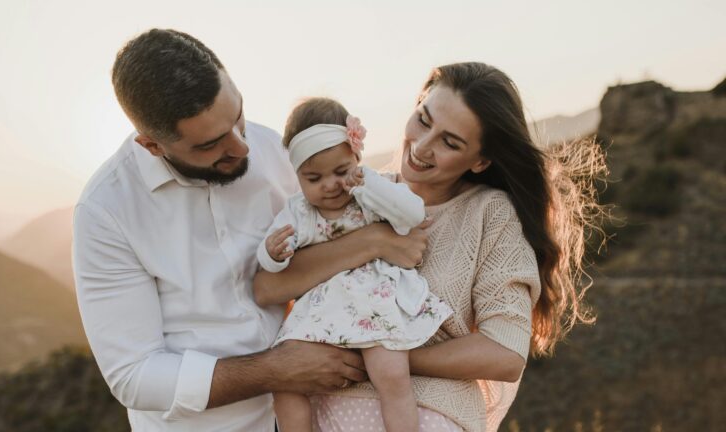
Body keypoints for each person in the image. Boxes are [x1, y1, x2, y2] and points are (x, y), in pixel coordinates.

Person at [72, 29, 431, 431]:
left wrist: (374, 239)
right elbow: (134, 376)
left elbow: (325, 242)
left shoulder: (279, 151)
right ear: (153, 145)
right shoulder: (105, 211)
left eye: (238, 118)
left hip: (316, 410)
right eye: (212, 144)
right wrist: (274, 370)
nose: (243, 148)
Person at [252, 62, 605, 431]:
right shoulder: (349, 194)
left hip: (427, 413)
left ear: (481, 160)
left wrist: (381, 353)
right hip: (321, 412)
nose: (421, 147)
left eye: (449, 142)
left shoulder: (490, 214)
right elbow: (268, 287)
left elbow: (504, 353)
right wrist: (373, 242)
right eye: (423, 119)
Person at [254, 98, 453, 432]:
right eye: (313, 178)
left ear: (356, 158)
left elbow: (413, 213)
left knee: (391, 374)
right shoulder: (299, 212)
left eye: (340, 171)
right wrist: (272, 255)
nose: (330, 184)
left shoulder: (372, 193)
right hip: (320, 310)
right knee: (286, 382)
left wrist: (368, 184)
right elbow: (271, 260)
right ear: (298, 177)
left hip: (372, 302)